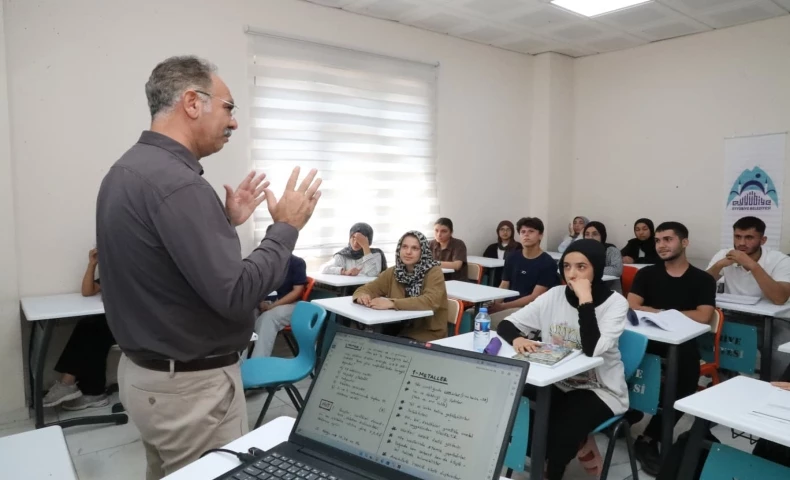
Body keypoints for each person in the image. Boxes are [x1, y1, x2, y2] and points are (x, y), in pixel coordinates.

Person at [96, 56, 321, 479]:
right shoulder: (179, 184)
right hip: (190, 390)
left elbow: (161, 261)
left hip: (148, 377)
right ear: (193, 103)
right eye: (229, 107)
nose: (233, 122)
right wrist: (286, 227)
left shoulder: (126, 170)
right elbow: (236, 295)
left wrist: (221, 220)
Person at [496, 240, 629, 480]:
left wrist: (585, 301)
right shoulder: (555, 295)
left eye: (581, 267)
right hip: (556, 380)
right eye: (567, 267)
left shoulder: (615, 303)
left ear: (596, 269)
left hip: (599, 388)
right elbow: (507, 324)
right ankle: (573, 445)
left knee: (563, 430)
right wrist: (517, 338)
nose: (572, 274)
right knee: (513, 406)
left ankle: (553, 471)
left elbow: (593, 348)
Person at [627, 222, 716, 476]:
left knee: (685, 380)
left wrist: (658, 312)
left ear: (684, 242)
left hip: (681, 344)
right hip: (647, 338)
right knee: (618, 358)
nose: (661, 245)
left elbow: (703, 316)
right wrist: (671, 314)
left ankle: (648, 438)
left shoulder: (702, 279)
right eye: (658, 241)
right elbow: (632, 305)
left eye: (668, 239)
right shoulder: (646, 274)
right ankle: (626, 414)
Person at [42, 248, 116, 410]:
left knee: (92, 328)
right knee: (91, 327)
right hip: (116, 323)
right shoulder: (115, 271)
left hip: (135, 326)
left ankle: (69, 384)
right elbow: (87, 291)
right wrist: (92, 264)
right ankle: (93, 393)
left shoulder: (136, 271)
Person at [353, 231, 448, 342]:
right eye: (404, 247)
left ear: (423, 252)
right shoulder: (395, 271)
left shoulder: (433, 272)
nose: (408, 252)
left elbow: (431, 301)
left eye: (415, 248)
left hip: (426, 333)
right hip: (398, 329)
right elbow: (367, 288)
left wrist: (392, 303)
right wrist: (362, 296)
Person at [488, 217, 559, 326]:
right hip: (507, 304)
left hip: (529, 308)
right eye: (523, 232)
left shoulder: (548, 263)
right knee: (471, 313)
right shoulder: (512, 257)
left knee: (488, 321)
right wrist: (495, 305)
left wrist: (502, 307)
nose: (526, 235)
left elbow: (535, 297)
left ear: (540, 235)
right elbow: (504, 284)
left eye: (531, 231)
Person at [707, 216, 790, 305]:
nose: (741, 243)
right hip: (731, 312)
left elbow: (780, 299)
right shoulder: (724, 254)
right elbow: (700, 286)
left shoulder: (780, 260)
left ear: (763, 240)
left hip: (768, 317)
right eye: (738, 237)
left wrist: (752, 265)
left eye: (749, 238)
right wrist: (719, 265)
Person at [251, 254, 307, 358]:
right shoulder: (264, 262)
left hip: (290, 304)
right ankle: (239, 362)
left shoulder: (297, 263)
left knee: (267, 318)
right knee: (244, 313)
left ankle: (258, 363)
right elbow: (257, 286)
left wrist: (272, 306)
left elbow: (297, 292)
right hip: (267, 303)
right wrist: (260, 302)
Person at [319, 222, 386, 277]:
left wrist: (365, 246)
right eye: (353, 238)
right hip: (349, 290)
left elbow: (372, 274)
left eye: (360, 240)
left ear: (368, 240)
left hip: (369, 290)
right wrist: (345, 272)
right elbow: (323, 269)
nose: (355, 243)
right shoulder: (344, 254)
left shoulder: (376, 254)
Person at [583, 221, 624, 292]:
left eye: (595, 234)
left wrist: (591, 269)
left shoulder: (611, 250)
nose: (590, 237)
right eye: (587, 234)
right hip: (586, 290)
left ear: (602, 235)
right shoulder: (581, 250)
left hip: (610, 291)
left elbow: (617, 270)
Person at [482, 220, 520, 286]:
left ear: (512, 232)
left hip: (511, 279)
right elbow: (485, 265)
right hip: (493, 279)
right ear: (498, 232)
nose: (505, 232)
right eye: (502, 229)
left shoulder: (518, 247)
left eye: (508, 230)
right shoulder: (491, 248)